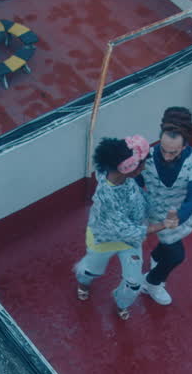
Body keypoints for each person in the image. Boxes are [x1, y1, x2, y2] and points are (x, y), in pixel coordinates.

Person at [74, 136, 175, 320]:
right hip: (104, 240)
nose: (144, 167)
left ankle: (121, 301)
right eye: (141, 165)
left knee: (134, 284)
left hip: (130, 242)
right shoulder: (106, 197)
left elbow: (142, 201)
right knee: (91, 271)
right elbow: (126, 229)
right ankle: (83, 284)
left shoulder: (125, 180)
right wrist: (163, 225)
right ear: (128, 168)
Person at [139, 107, 192, 306]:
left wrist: (179, 217)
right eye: (164, 150)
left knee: (168, 246)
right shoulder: (147, 156)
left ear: (185, 145)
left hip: (175, 218)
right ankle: (152, 282)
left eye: (173, 152)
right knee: (177, 256)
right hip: (150, 212)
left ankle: (156, 259)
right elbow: (135, 181)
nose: (167, 156)